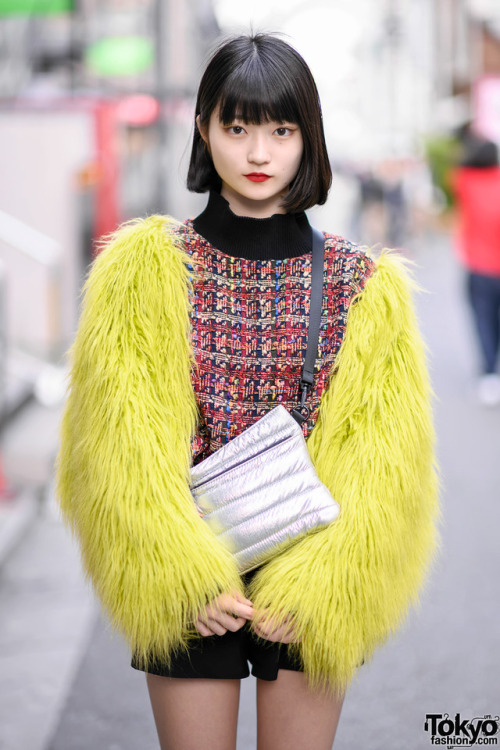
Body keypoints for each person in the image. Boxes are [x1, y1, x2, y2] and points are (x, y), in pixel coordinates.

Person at [57, 34, 439, 750]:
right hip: (183, 564)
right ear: (204, 129)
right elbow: (111, 445)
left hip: (313, 564)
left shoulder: (367, 285)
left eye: (281, 130)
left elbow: (387, 463)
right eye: (237, 128)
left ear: (307, 138)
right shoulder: (143, 268)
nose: (258, 153)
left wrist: (326, 587)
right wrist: (177, 573)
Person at [451, 135, 500, 406]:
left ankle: (490, 374)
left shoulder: (464, 180)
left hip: (479, 266)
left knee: (484, 319)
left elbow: (456, 156)